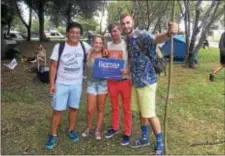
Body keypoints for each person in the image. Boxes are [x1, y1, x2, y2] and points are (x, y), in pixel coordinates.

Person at [120, 13, 178, 155]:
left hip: (147, 81)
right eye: (123, 23)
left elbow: (156, 39)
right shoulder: (128, 38)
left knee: (150, 114)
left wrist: (169, 33)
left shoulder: (142, 35)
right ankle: (144, 137)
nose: (126, 25)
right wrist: (128, 68)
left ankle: (160, 144)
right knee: (142, 112)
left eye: (128, 22)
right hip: (136, 81)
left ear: (133, 21)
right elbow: (133, 56)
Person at [45, 22, 91, 149]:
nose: (75, 35)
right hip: (61, 84)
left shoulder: (84, 46)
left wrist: (104, 51)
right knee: (58, 110)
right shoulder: (59, 47)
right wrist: (52, 84)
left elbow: (95, 53)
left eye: (77, 33)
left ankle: (71, 129)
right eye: (72, 32)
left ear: (80, 34)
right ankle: (53, 134)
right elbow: (53, 66)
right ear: (67, 34)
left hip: (77, 84)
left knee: (74, 108)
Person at [103, 23, 132, 146]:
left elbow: (133, 60)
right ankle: (115, 127)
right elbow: (105, 61)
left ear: (120, 30)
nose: (114, 33)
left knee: (127, 109)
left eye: (116, 30)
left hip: (125, 81)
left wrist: (128, 69)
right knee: (114, 107)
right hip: (112, 81)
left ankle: (127, 133)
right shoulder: (108, 45)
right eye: (112, 32)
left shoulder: (127, 44)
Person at [81, 35, 108, 140]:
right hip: (91, 83)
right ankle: (89, 127)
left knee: (100, 108)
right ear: (92, 43)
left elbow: (112, 67)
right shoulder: (88, 53)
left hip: (102, 84)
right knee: (89, 109)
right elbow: (84, 68)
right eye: (96, 42)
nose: (98, 45)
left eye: (100, 43)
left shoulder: (105, 54)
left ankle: (97, 130)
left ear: (102, 45)